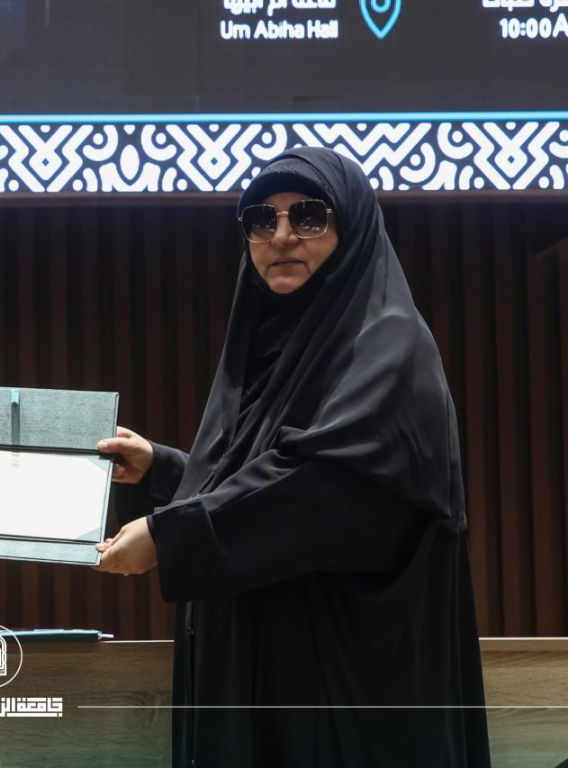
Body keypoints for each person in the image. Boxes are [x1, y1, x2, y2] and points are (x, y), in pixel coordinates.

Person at [96, 147, 490, 767]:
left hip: (346, 696)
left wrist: (172, 535)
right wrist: (164, 470)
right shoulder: (266, 350)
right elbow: (260, 476)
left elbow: (328, 492)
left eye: (308, 216)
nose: (281, 236)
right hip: (269, 679)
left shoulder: (390, 346)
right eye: (262, 218)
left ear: (351, 229)